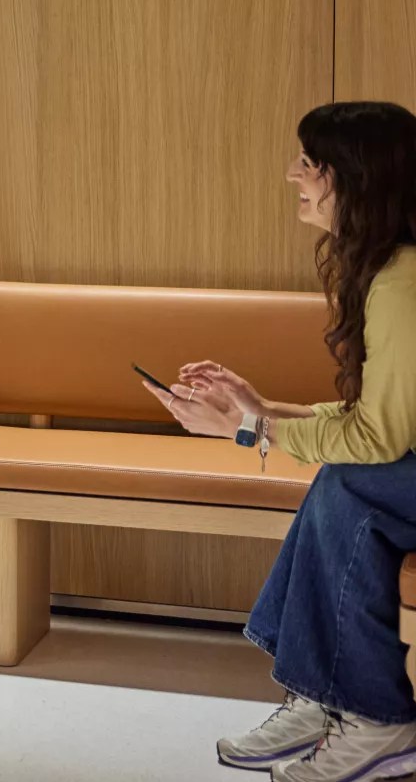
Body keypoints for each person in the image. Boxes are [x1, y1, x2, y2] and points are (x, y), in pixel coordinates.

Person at [157, 102, 416, 782]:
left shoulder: (400, 281)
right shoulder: (390, 269)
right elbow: (386, 420)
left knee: (348, 482)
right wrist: (264, 405)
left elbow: (379, 437)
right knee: (343, 481)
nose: (292, 173)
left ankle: (376, 716)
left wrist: (247, 428)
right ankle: (334, 696)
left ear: (353, 178)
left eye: (309, 162)